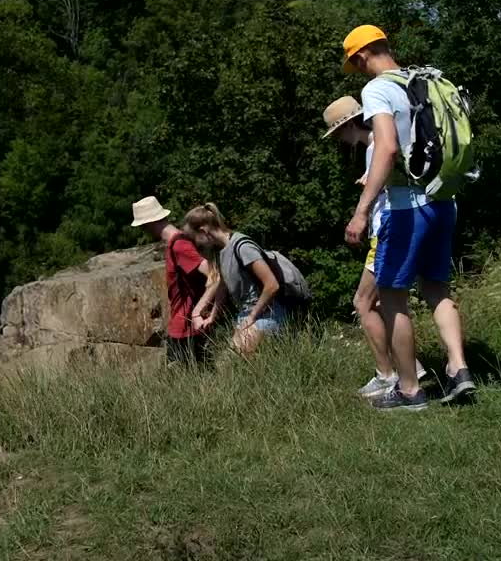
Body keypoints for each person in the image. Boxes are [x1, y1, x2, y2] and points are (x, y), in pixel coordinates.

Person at [341, 24, 475, 411]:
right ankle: (459, 368)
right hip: (443, 199)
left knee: (392, 297)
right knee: (437, 289)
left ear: (361, 56)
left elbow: (386, 148)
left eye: (356, 65)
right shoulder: (427, 79)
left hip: (405, 208)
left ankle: (410, 389)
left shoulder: (377, 89)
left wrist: (361, 211)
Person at [321, 96, 428, 397]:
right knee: (384, 303)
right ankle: (412, 366)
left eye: (337, 134)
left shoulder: (373, 147)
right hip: (404, 225)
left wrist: (366, 195)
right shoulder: (384, 139)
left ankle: (386, 374)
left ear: (346, 127)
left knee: (362, 302)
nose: (340, 141)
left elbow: (383, 185)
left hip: (385, 232)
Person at [183, 203, 310, 357]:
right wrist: (213, 316)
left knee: (231, 362)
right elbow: (223, 285)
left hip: (268, 311)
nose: (196, 245)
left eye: (194, 240)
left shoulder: (243, 247)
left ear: (204, 231)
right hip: (249, 312)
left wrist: (252, 316)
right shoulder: (220, 251)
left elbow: (272, 285)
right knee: (234, 364)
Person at [131, 196, 217, 366]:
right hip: (185, 326)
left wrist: (197, 311)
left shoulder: (180, 246)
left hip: (187, 328)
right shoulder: (179, 242)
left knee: (182, 374)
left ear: (147, 224)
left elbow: (214, 274)